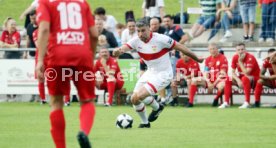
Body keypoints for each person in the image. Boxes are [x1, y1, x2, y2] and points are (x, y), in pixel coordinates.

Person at [113, 19, 203, 128]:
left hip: (164, 74)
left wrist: (197, 58)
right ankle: (146, 122)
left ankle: (156, 107)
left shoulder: (161, 39)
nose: (141, 34)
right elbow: (123, 48)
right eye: (138, 31)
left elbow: (181, 47)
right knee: (134, 99)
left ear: (149, 29)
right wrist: (118, 50)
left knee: (140, 95)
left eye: (143, 31)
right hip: (150, 72)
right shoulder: (136, 41)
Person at [36, 0, 98, 147]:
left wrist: (40, 61)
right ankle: (83, 132)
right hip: (82, 54)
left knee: (56, 103)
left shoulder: (45, 2)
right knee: (87, 100)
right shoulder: (82, 3)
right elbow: (94, 34)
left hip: (58, 55)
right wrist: (91, 57)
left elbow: (44, 29)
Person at [188, 43, 232, 108]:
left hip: (218, 81)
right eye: (210, 49)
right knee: (194, 80)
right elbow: (205, 72)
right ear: (209, 50)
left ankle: (216, 99)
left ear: (217, 49)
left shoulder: (223, 58)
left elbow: (222, 73)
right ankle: (190, 102)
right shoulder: (208, 59)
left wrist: (213, 84)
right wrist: (208, 83)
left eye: (214, 49)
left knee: (223, 85)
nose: (212, 50)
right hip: (209, 81)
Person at [162, 14, 190, 105]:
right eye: (165, 21)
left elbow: (185, 37)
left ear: (172, 21)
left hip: (175, 57)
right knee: (168, 77)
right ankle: (172, 97)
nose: (166, 23)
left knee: (172, 77)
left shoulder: (176, 28)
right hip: (168, 57)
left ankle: (172, 97)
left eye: (168, 21)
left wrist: (175, 47)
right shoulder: (166, 31)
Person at [231, 43, 260, 108]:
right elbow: (232, 72)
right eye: (238, 50)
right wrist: (238, 80)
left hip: (255, 79)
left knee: (245, 78)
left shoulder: (250, 57)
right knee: (227, 79)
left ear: (245, 50)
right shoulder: (235, 57)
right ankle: (226, 102)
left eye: (242, 49)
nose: (240, 51)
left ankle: (247, 102)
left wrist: (240, 62)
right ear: (236, 51)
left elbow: (247, 73)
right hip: (243, 78)